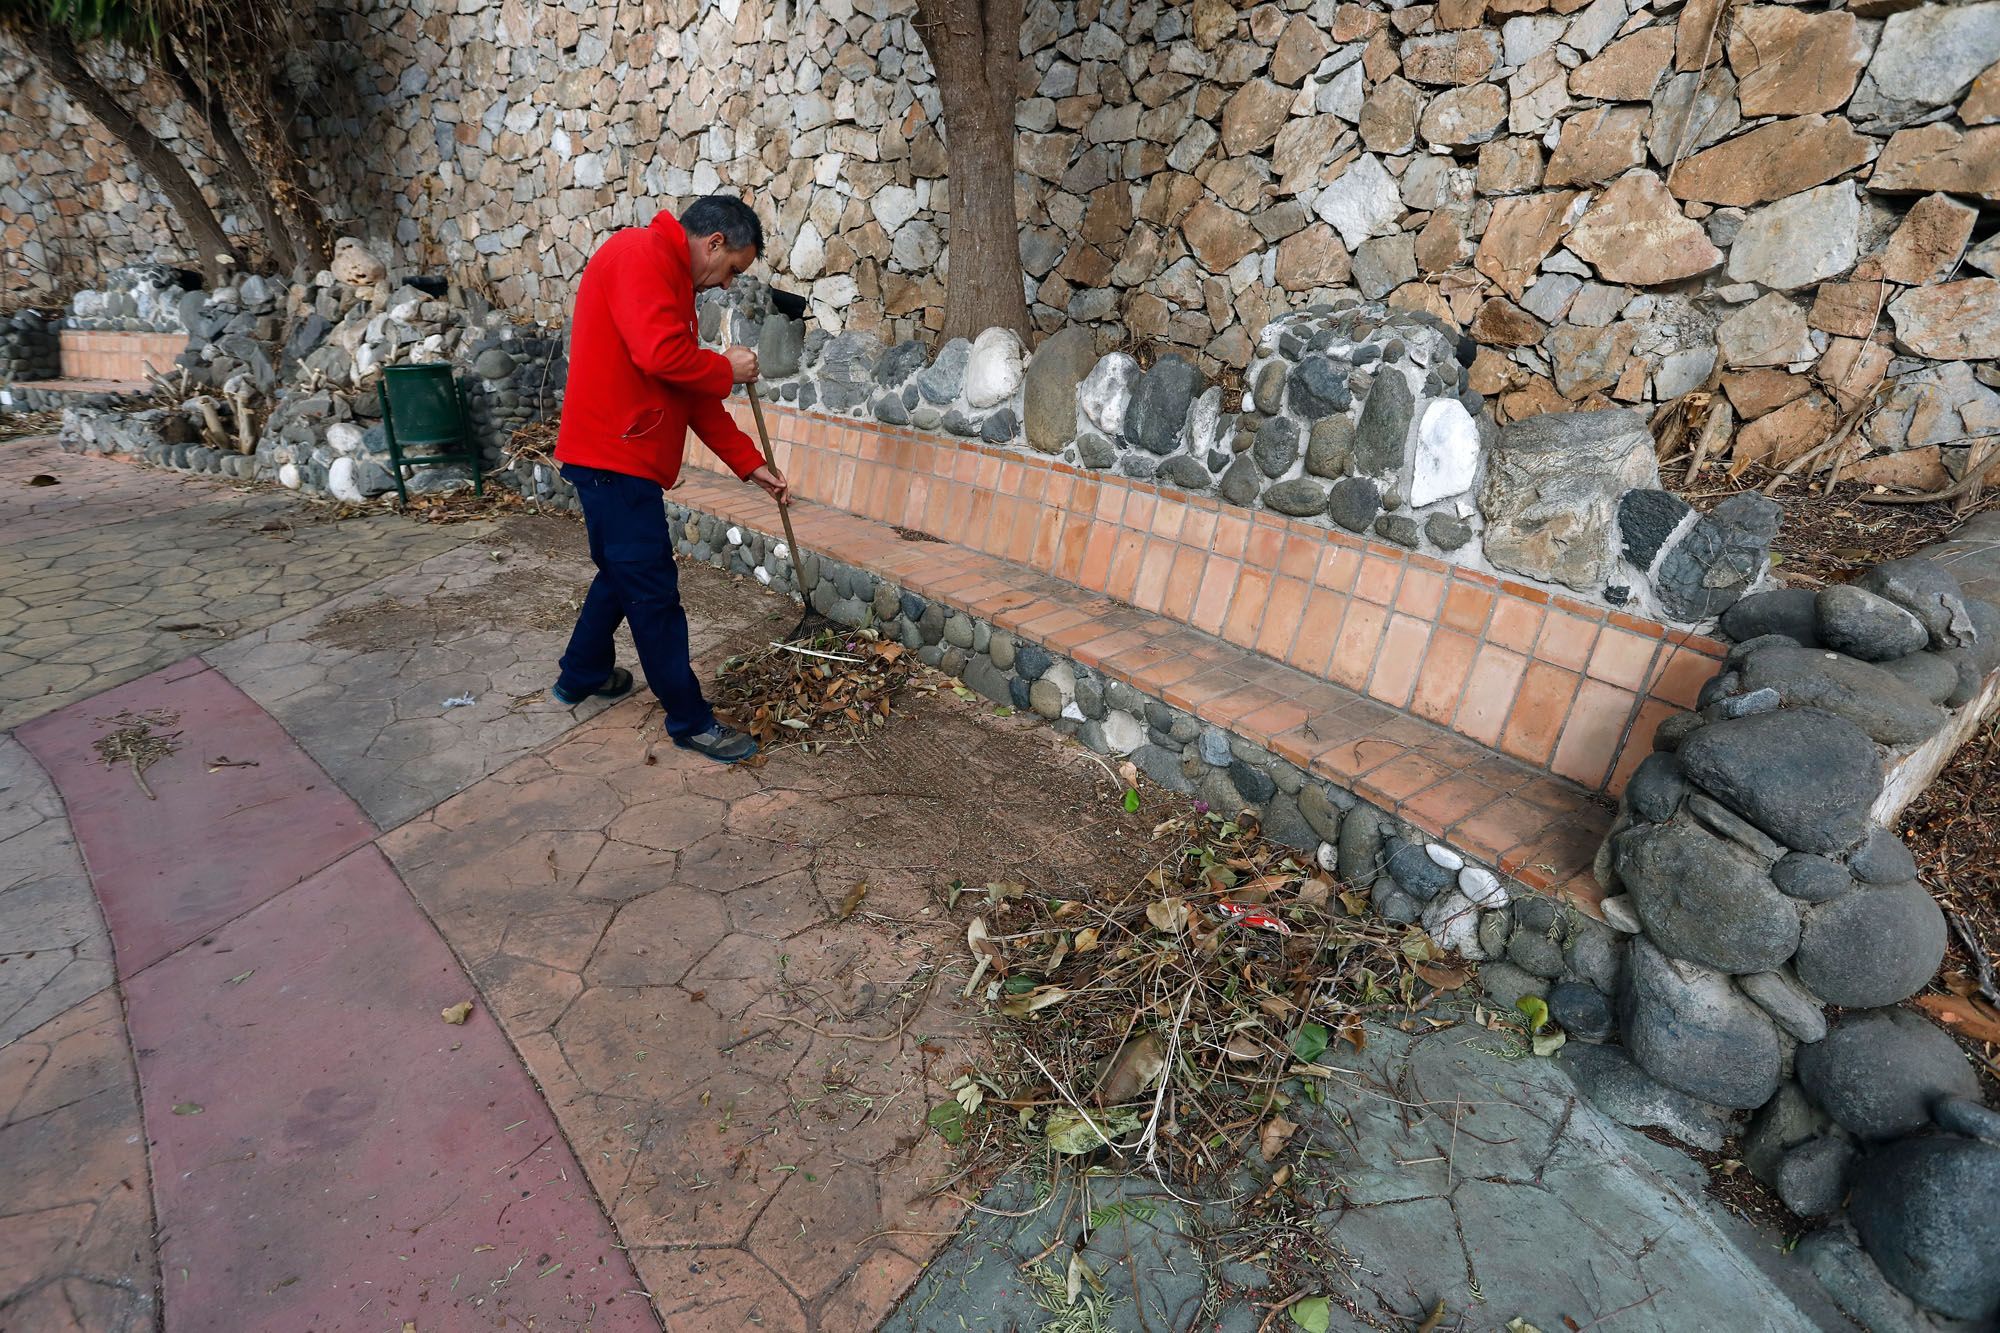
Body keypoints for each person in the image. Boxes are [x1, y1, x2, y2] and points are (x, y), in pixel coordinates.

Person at [549, 194, 789, 764]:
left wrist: (750, 463)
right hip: (614, 460)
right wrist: (725, 366)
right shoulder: (640, 255)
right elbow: (661, 357)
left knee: (620, 571)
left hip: (616, 459)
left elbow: (688, 390)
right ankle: (690, 719)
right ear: (713, 243)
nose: (728, 285)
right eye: (733, 270)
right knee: (652, 591)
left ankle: (580, 673)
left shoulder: (670, 280)